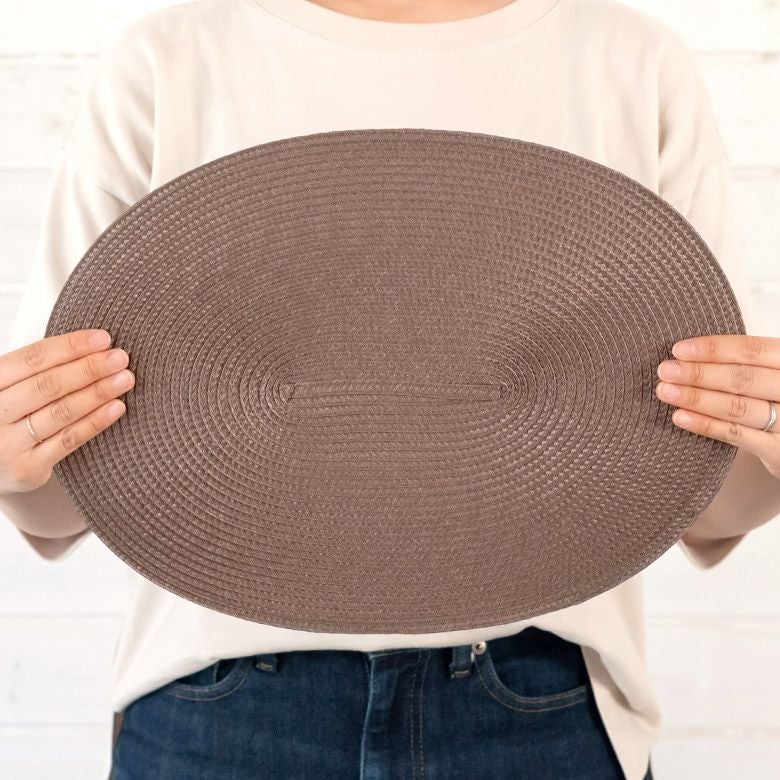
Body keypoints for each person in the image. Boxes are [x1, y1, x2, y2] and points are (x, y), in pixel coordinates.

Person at [2, 1, 779, 777]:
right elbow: (62, 483)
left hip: (539, 710)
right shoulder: (170, 59)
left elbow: (704, 493)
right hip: (221, 711)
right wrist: (15, 465)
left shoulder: (629, 62)